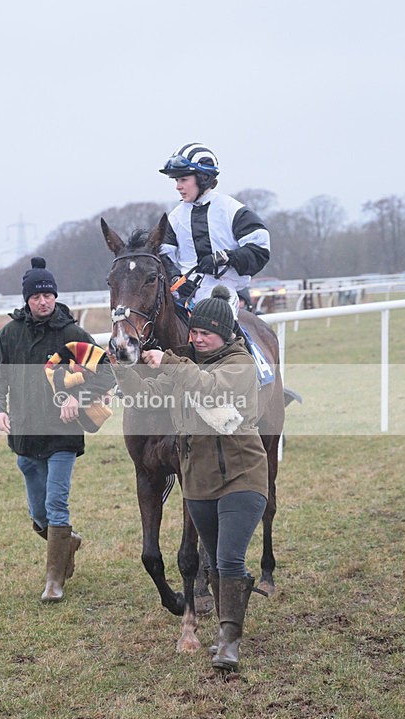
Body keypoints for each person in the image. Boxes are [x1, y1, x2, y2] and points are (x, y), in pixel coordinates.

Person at [110, 285, 268, 672]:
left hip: (243, 477)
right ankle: (225, 624)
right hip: (198, 482)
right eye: (193, 332)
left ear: (225, 334)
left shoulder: (240, 365)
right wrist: (123, 368)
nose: (196, 339)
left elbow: (210, 390)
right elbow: (145, 394)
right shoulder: (184, 364)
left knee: (229, 559)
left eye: (205, 333)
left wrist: (170, 361)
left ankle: (229, 640)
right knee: (213, 561)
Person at [0, 257, 115, 603]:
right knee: (39, 515)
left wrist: (79, 397)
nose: (44, 302)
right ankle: (67, 541)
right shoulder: (10, 334)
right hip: (25, 436)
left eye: (49, 295)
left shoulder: (71, 333)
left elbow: (107, 374)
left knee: (56, 504)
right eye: (37, 297)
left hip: (62, 437)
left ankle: (53, 583)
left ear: (55, 297)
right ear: (27, 299)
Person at [159, 142, 270, 320]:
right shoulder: (174, 217)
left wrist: (226, 257)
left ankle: (239, 348)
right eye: (176, 180)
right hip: (183, 295)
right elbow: (163, 258)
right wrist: (175, 280)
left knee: (215, 333)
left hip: (223, 293)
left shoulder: (232, 210)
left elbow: (259, 250)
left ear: (203, 178)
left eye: (183, 180)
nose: (178, 186)